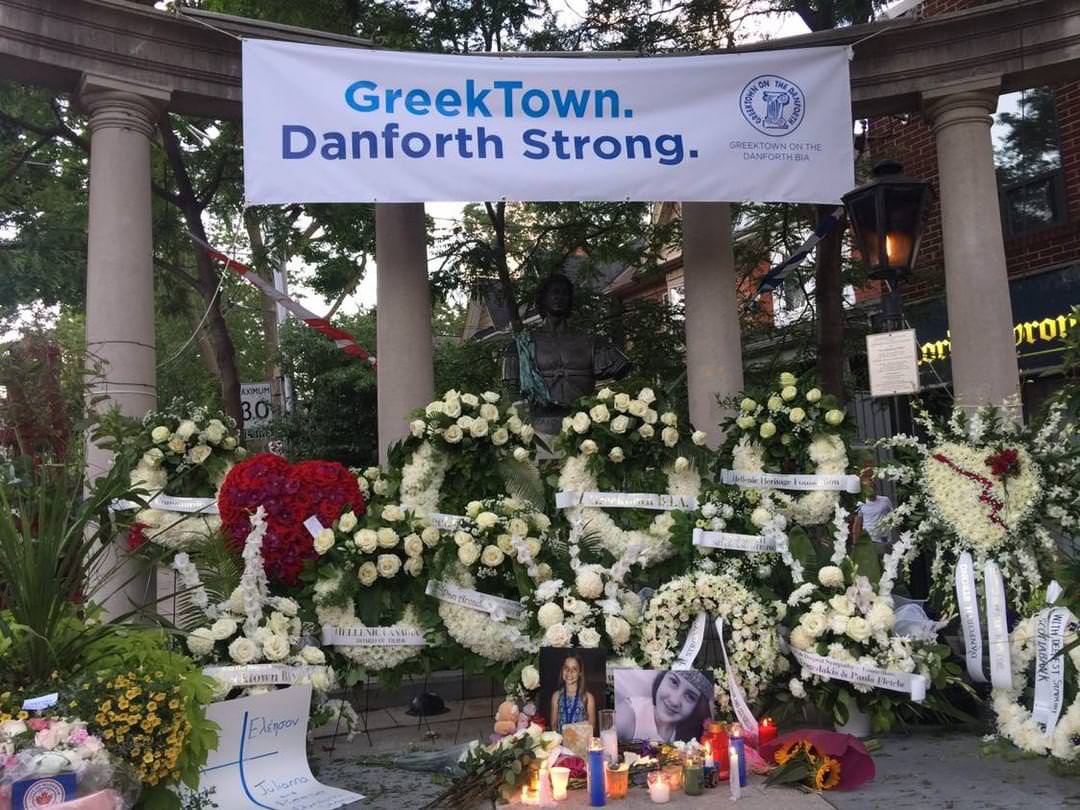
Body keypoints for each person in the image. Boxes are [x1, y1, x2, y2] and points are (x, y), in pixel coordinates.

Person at [503, 273, 631, 436]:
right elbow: (512, 393)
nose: (560, 297)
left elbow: (625, 373)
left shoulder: (592, 341)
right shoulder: (522, 346)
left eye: (564, 293)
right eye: (554, 292)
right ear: (543, 299)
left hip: (585, 429)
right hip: (540, 429)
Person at [616, 671, 713, 743]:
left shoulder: (697, 733)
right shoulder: (625, 718)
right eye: (674, 682)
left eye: (690, 696)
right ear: (661, 679)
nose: (674, 701)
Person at [549, 653, 598, 734]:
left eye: (574, 669)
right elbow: (553, 724)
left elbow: (592, 727)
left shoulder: (588, 697)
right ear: (562, 670)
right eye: (566, 668)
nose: (569, 672)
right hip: (561, 741)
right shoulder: (556, 696)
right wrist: (559, 739)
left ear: (580, 673)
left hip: (581, 741)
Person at [852, 466, 894, 549]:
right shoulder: (860, 504)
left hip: (884, 539)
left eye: (871, 487)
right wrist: (855, 543)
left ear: (875, 488)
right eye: (867, 488)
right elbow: (857, 524)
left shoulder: (885, 500)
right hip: (869, 540)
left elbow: (893, 517)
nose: (870, 490)